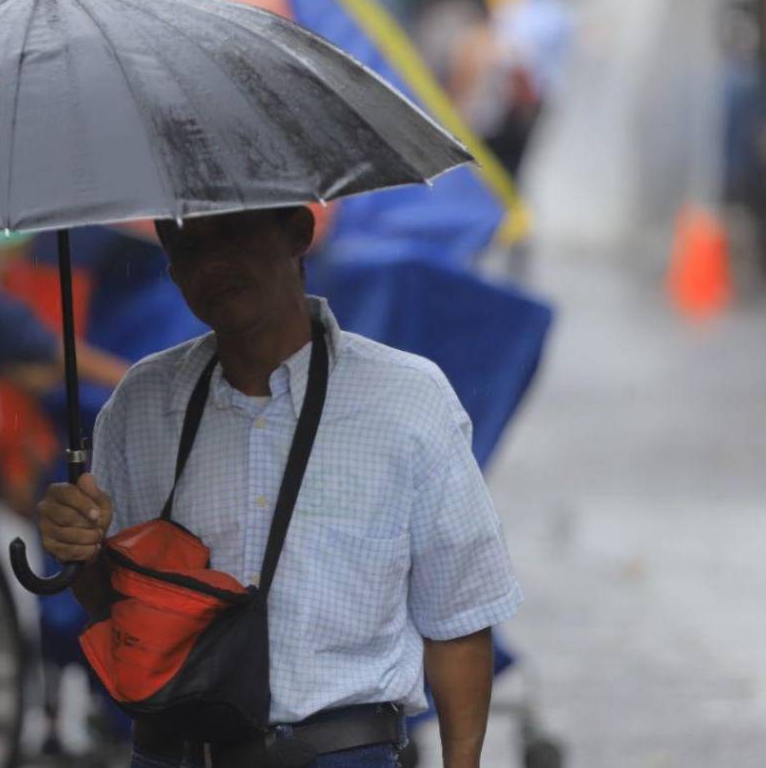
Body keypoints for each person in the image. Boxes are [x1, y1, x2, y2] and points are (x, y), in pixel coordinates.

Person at [36, 206, 522, 768]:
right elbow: (111, 602)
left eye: (231, 231)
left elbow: (458, 618)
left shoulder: (407, 399)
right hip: (174, 751)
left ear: (299, 231)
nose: (212, 262)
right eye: (187, 245)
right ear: (170, 267)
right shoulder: (142, 402)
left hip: (341, 753)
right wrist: (80, 548)